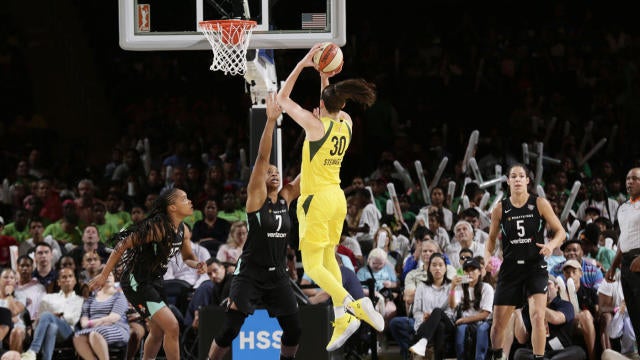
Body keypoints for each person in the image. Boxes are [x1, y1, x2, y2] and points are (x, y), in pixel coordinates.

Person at [276, 42, 383, 351]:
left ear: (320, 108)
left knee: (311, 266)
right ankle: (343, 317)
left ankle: (355, 305)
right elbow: (329, 98)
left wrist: (303, 64)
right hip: (337, 198)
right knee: (327, 259)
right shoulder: (345, 123)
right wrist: (324, 75)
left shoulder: (314, 126)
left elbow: (282, 98)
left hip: (317, 201)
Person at [207, 93, 302, 360]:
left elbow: (312, 170)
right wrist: (271, 121)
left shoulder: (285, 198)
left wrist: (322, 137)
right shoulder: (256, 198)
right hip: (250, 274)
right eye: (269, 171)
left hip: (278, 276)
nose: (273, 172)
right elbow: (262, 156)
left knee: (294, 330)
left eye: (277, 171)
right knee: (229, 330)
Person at [88, 188, 206, 360]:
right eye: (184, 199)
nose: (190, 201)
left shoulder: (183, 230)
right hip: (137, 281)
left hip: (155, 281)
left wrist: (197, 264)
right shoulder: (157, 228)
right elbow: (122, 245)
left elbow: (188, 257)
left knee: (158, 331)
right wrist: (104, 275)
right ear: (172, 207)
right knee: (172, 326)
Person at [485, 164, 566, 360]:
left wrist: (550, 244)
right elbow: (490, 241)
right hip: (510, 268)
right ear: (508, 181)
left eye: (522, 176)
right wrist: (488, 259)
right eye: (514, 176)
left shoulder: (539, 203)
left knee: (538, 316)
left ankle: (539, 358)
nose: (518, 179)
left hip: (535, 266)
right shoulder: (500, 209)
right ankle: (497, 356)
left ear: (528, 181)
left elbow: (561, 231)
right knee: (497, 325)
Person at [605, 167, 640, 357]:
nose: (629, 182)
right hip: (626, 263)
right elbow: (623, 239)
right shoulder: (624, 207)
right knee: (634, 313)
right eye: (627, 178)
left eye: (635, 178)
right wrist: (613, 265)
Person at [512, 275, 586, 360]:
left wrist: (536, 304)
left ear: (557, 287)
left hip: (562, 351)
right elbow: (522, 339)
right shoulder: (528, 309)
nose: (544, 287)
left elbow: (556, 318)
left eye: (548, 284)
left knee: (579, 352)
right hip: (538, 353)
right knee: (519, 353)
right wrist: (517, 312)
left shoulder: (565, 305)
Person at [20, 267, 84, 360]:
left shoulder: (79, 300)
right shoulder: (48, 298)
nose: (67, 279)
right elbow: (39, 319)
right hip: (47, 329)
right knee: (51, 327)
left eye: (70, 276)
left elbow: (73, 320)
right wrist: (50, 318)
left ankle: (33, 350)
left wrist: (58, 316)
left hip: (68, 332)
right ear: (58, 282)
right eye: (64, 277)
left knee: (47, 315)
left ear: (75, 281)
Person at [74, 272, 130, 360]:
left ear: (114, 278)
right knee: (78, 338)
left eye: (110, 275)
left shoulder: (119, 296)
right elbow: (84, 322)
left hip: (117, 327)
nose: (107, 277)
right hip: (93, 328)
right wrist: (100, 322)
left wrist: (92, 322)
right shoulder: (91, 297)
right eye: (105, 275)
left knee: (95, 334)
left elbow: (113, 318)